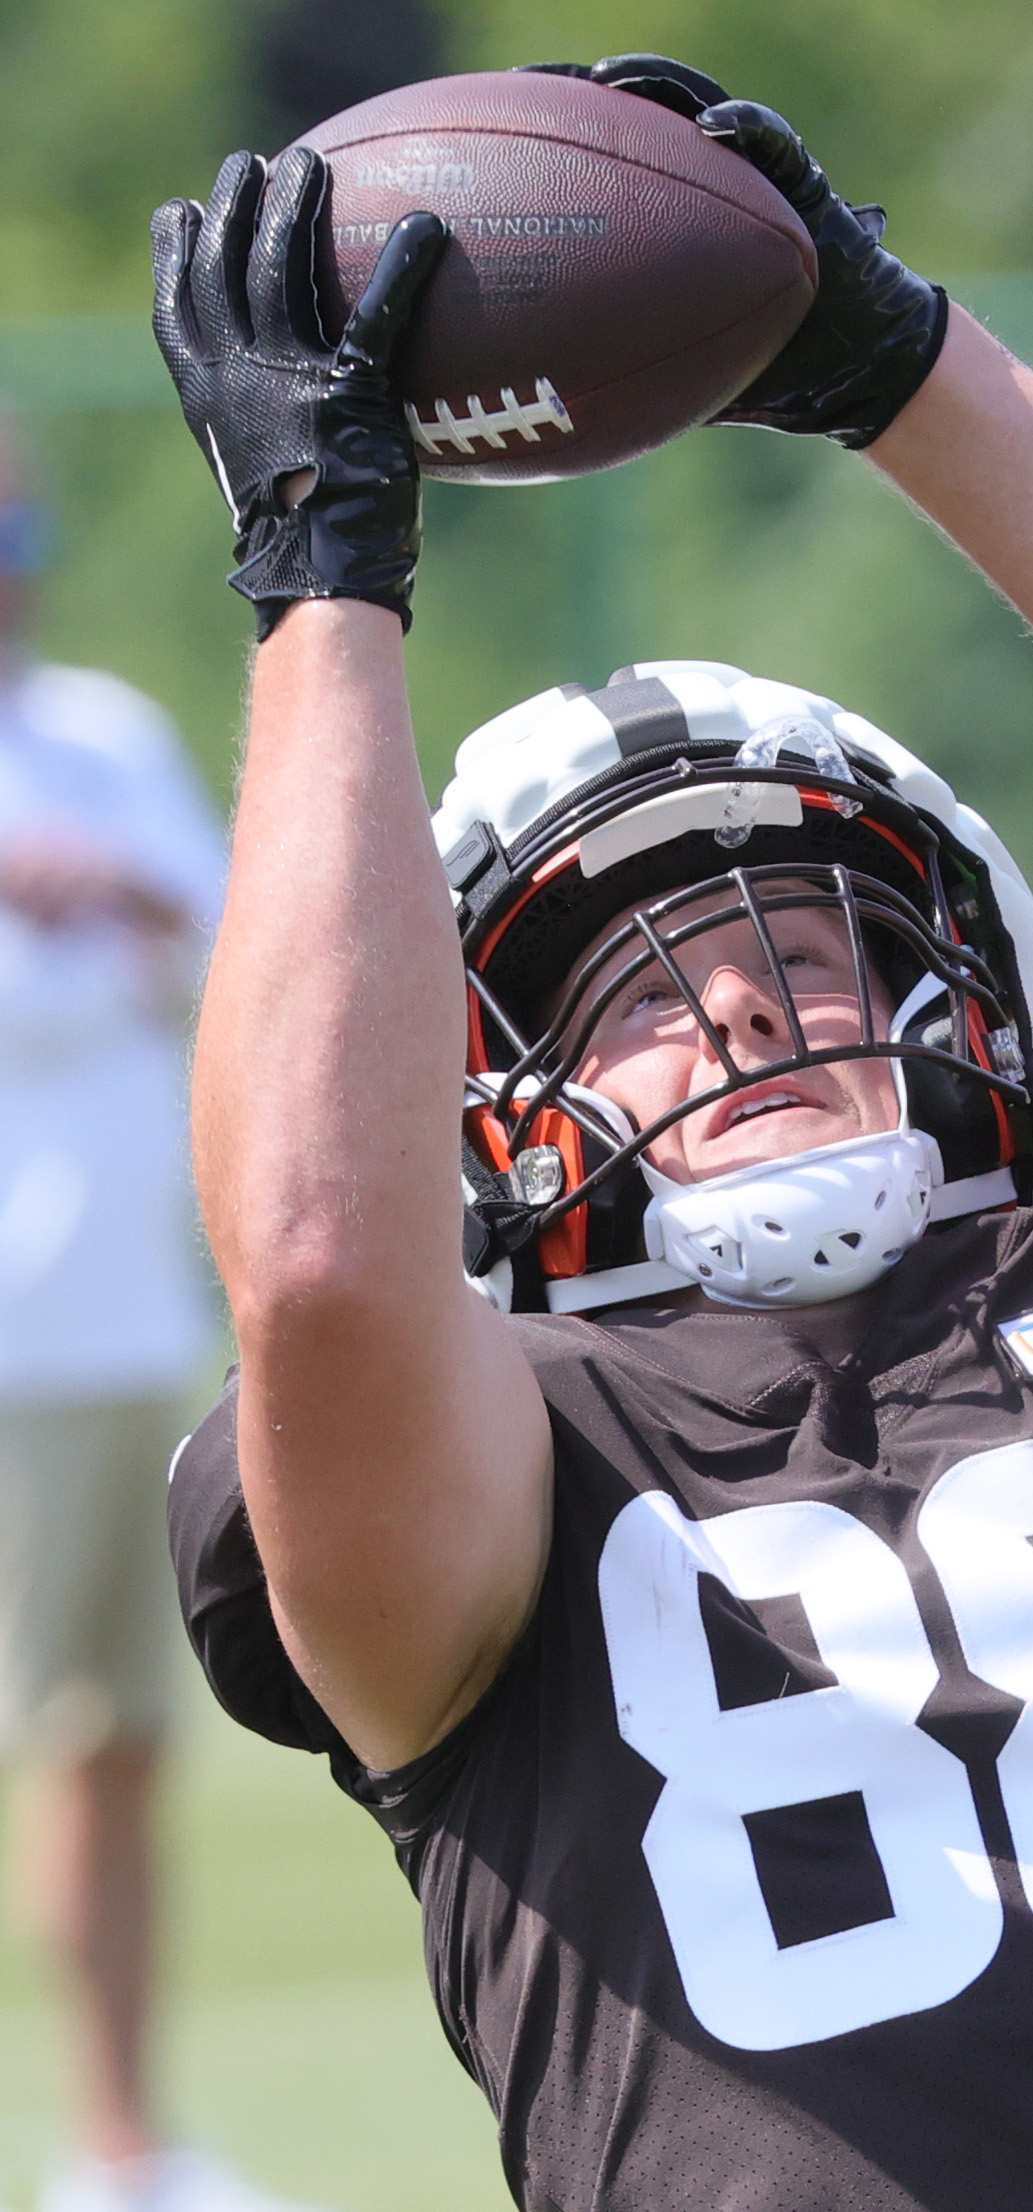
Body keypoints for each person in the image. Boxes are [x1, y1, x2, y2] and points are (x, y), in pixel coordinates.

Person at [153, 53, 1033, 2212]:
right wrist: (326, 573)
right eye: (633, 987)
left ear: (971, 983)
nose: (743, 997)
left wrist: (891, 354)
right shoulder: (509, 1459)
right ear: (487, 1115)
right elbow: (316, 1247)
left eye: (811, 937)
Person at [0, 440, 318, 2212]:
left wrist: (115, 902)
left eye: (21, 530)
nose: (12, 566)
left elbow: (243, 970)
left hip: (118, 1329)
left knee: (108, 1741)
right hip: (12, 1343)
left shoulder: (104, 737)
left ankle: (118, 2153)